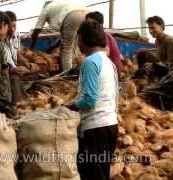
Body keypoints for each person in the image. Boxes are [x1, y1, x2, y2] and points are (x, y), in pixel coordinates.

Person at [66, 21, 118, 180]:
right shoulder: (109, 63)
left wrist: (70, 106)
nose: (78, 43)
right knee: (101, 173)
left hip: (95, 129)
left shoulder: (90, 62)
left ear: (83, 38)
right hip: (110, 125)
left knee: (92, 174)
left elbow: (89, 100)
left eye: (78, 39)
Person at [30, 0, 89, 72]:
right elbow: (63, 37)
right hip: (87, 13)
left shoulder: (46, 8)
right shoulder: (60, 6)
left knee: (67, 49)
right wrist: (53, 46)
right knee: (77, 47)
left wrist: (32, 47)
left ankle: (67, 74)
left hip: (72, 15)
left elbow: (37, 30)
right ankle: (77, 70)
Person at [3, 11, 27, 105]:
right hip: (7, 72)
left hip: (15, 67)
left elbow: (17, 52)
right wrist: (12, 70)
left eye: (14, 26)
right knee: (14, 78)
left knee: (40, 73)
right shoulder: (0, 40)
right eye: (10, 27)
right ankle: (18, 106)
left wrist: (24, 61)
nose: (13, 29)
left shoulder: (16, 34)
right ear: (4, 26)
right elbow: (1, 65)